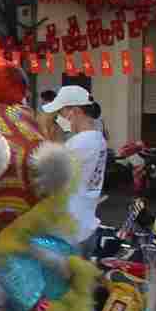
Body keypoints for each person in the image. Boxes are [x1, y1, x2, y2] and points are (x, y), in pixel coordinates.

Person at [41, 86, 108, 246]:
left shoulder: (80, 143)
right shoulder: (97, 138)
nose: (58, 117)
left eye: (61, 112)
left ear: (75, 111)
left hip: (70, 232)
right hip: (84, 224)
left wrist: (47, 133)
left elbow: (45, 174)